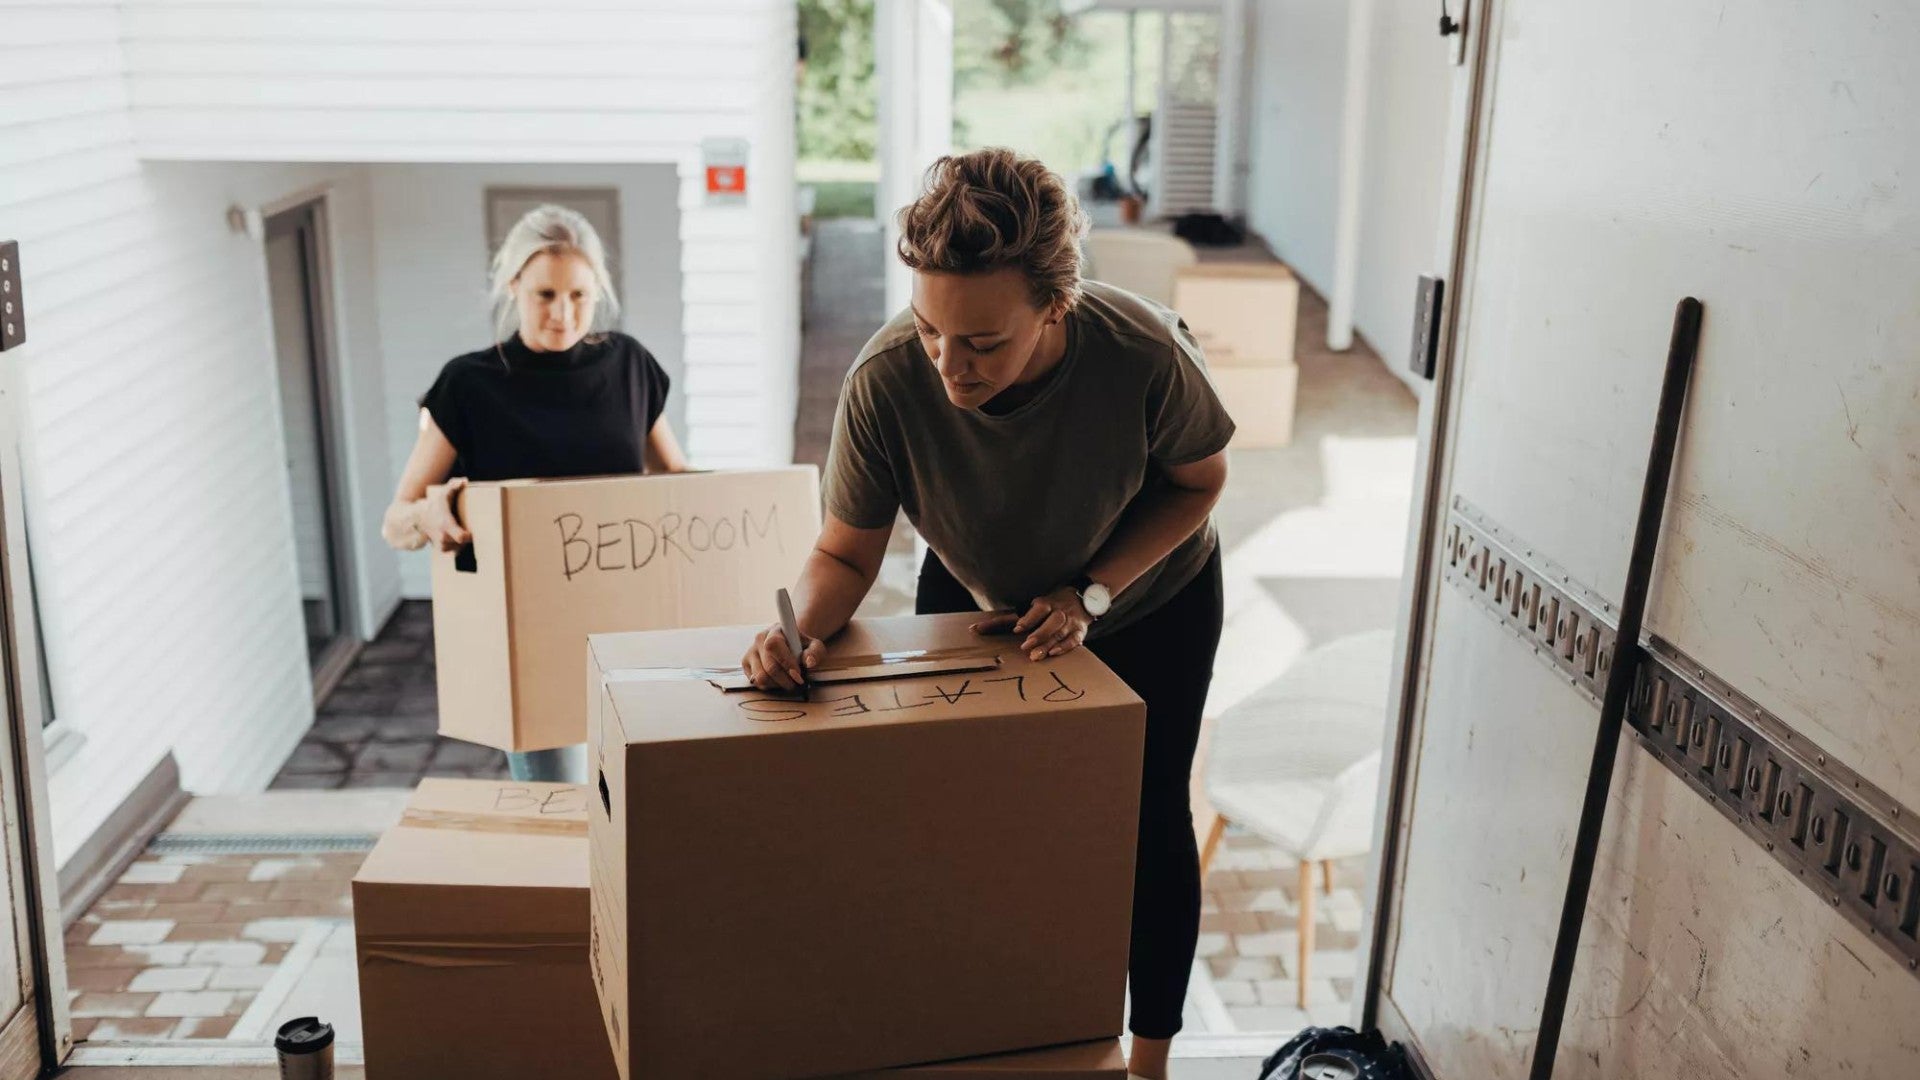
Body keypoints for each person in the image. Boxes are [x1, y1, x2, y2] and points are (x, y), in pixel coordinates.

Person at [742, 149, 1232, 1080]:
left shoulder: (1143, 353)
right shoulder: (887, 380)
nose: (949, 367)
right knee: (968, 822)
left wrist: (1091, 591)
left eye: (982, 343)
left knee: (1144, 822)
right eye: (931, 329)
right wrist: (797, 627)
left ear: (1057, 305)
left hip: (1149, 600)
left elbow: (1200, 483)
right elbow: (846, 553)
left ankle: (1150, 1062)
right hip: (975, 592)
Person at [383, 204, 688, 783]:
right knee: (565, 811)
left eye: (578, 294)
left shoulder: (630, 366)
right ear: (512, 285)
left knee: (642, 807)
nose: (562, 313)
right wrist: (430, 511)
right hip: (526, 646)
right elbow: (395, 521)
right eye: (545, 294)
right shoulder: (467, 385)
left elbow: (678, 484)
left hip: (628, 634)